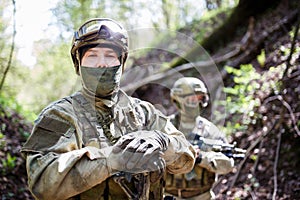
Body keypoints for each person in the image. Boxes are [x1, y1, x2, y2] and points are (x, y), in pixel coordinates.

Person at [21, 18, 195, 200]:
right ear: (78, 64)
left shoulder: (144, 113)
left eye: (110, 56)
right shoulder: (60, 115)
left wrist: (163, 141)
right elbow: (43, 183)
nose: (102, 64)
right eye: (92, 56)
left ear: (121, 63)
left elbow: (186, 159)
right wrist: (111, 160)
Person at [165, 77, 234, 200]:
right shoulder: (164, 127)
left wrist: (201, 157)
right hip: (168, 196)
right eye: (191, 99)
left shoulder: (210, 131)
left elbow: (228, 165)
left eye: (199, 99)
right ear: (178, 100)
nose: (195, 103)